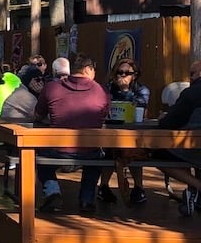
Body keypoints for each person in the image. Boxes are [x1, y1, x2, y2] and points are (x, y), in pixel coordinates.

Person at [33, 53, 110, 213]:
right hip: (89, 150)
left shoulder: (51, 87)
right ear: (88, 70)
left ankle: (52, 191)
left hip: (57, 149)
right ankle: (86, 199)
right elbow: (102, 117)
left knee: (39, 155)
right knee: (97, 157)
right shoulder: (101, 91)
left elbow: (38, 115)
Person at [98, 58, 154, 204]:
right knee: (108, 151)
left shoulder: (142, 90)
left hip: (134, 134)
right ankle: (103, 186)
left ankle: (139, 188)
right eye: (119, 72)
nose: (122, 75)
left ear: (134, 75)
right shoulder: (107, 88)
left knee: (134, 149)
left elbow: (140, 107)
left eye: (127, 73)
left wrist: (125, 91)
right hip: (111, 134)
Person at [158, 60, 201, 215]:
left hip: (192, 149)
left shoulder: (193, 92)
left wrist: (164, 117)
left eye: (192, 74)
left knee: (157, 154)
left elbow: (169, 123)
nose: (189, 79)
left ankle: (196, 185)